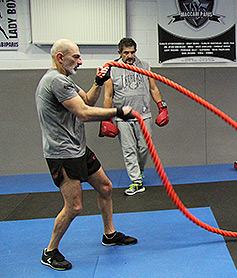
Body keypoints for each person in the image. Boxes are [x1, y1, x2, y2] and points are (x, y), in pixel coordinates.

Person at [35, 39, 138, 271]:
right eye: (76, 57)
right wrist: (118, 112)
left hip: (78, 149)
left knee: (105, 187)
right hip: (62, 154)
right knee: (74, 207)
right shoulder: (55, 81)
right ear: (60, 58)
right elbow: (83, 113)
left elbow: (88, 100)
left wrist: (98, 82)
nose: (80, 61)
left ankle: (109, 235)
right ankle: (50, 251)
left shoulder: (65, 80)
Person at [100, 37, 169, 196]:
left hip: (143, 115)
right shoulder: (112, 68)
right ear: (119, 53)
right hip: (122, 118)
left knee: (144, 148)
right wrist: (106, 117)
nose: (130, 56)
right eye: (126, 53)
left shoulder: (144, 66)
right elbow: (108, 95)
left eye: (132, 52)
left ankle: (139, 171)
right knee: (129, 149)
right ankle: (136, 182)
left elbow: (153, 88)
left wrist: (161, 106)